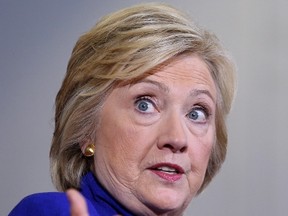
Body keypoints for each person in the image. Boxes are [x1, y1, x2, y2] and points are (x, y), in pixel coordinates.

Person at [9, 2, 236, 216]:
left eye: (196, 113)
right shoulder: (53, 211)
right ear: (86, 130)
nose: (177, 138)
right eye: (144, 104)